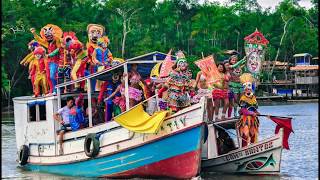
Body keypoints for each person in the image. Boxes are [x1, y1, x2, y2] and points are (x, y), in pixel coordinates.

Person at [236, 73, 260, 147]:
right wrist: (251, 113)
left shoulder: (253, 97)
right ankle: (244, 147)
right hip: (245, 119)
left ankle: (253, 146)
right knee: (245, 134)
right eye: (246, 89)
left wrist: (256, 112)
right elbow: (243, 110)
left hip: (253, 118)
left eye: (249, 89)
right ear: (244, 90)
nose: (248, 90)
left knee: (253, 133)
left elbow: (254, 108)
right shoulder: (243, 98)